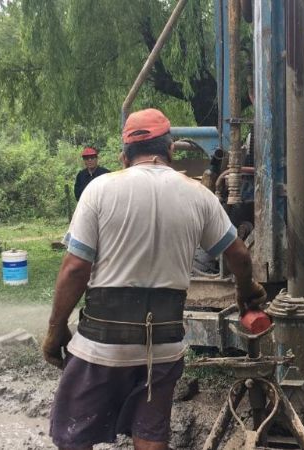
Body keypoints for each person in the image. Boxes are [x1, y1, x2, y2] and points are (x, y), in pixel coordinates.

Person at [42, 108, 266, 450]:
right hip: (162, 347)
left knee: (73, 436)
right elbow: (238, 255)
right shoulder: (200, 195)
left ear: (124, 154)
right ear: (170, 150)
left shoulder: (100, 189)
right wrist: (246, 289)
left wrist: (55, 329)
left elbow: (75, 268)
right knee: (150, 436)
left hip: (103, 344)